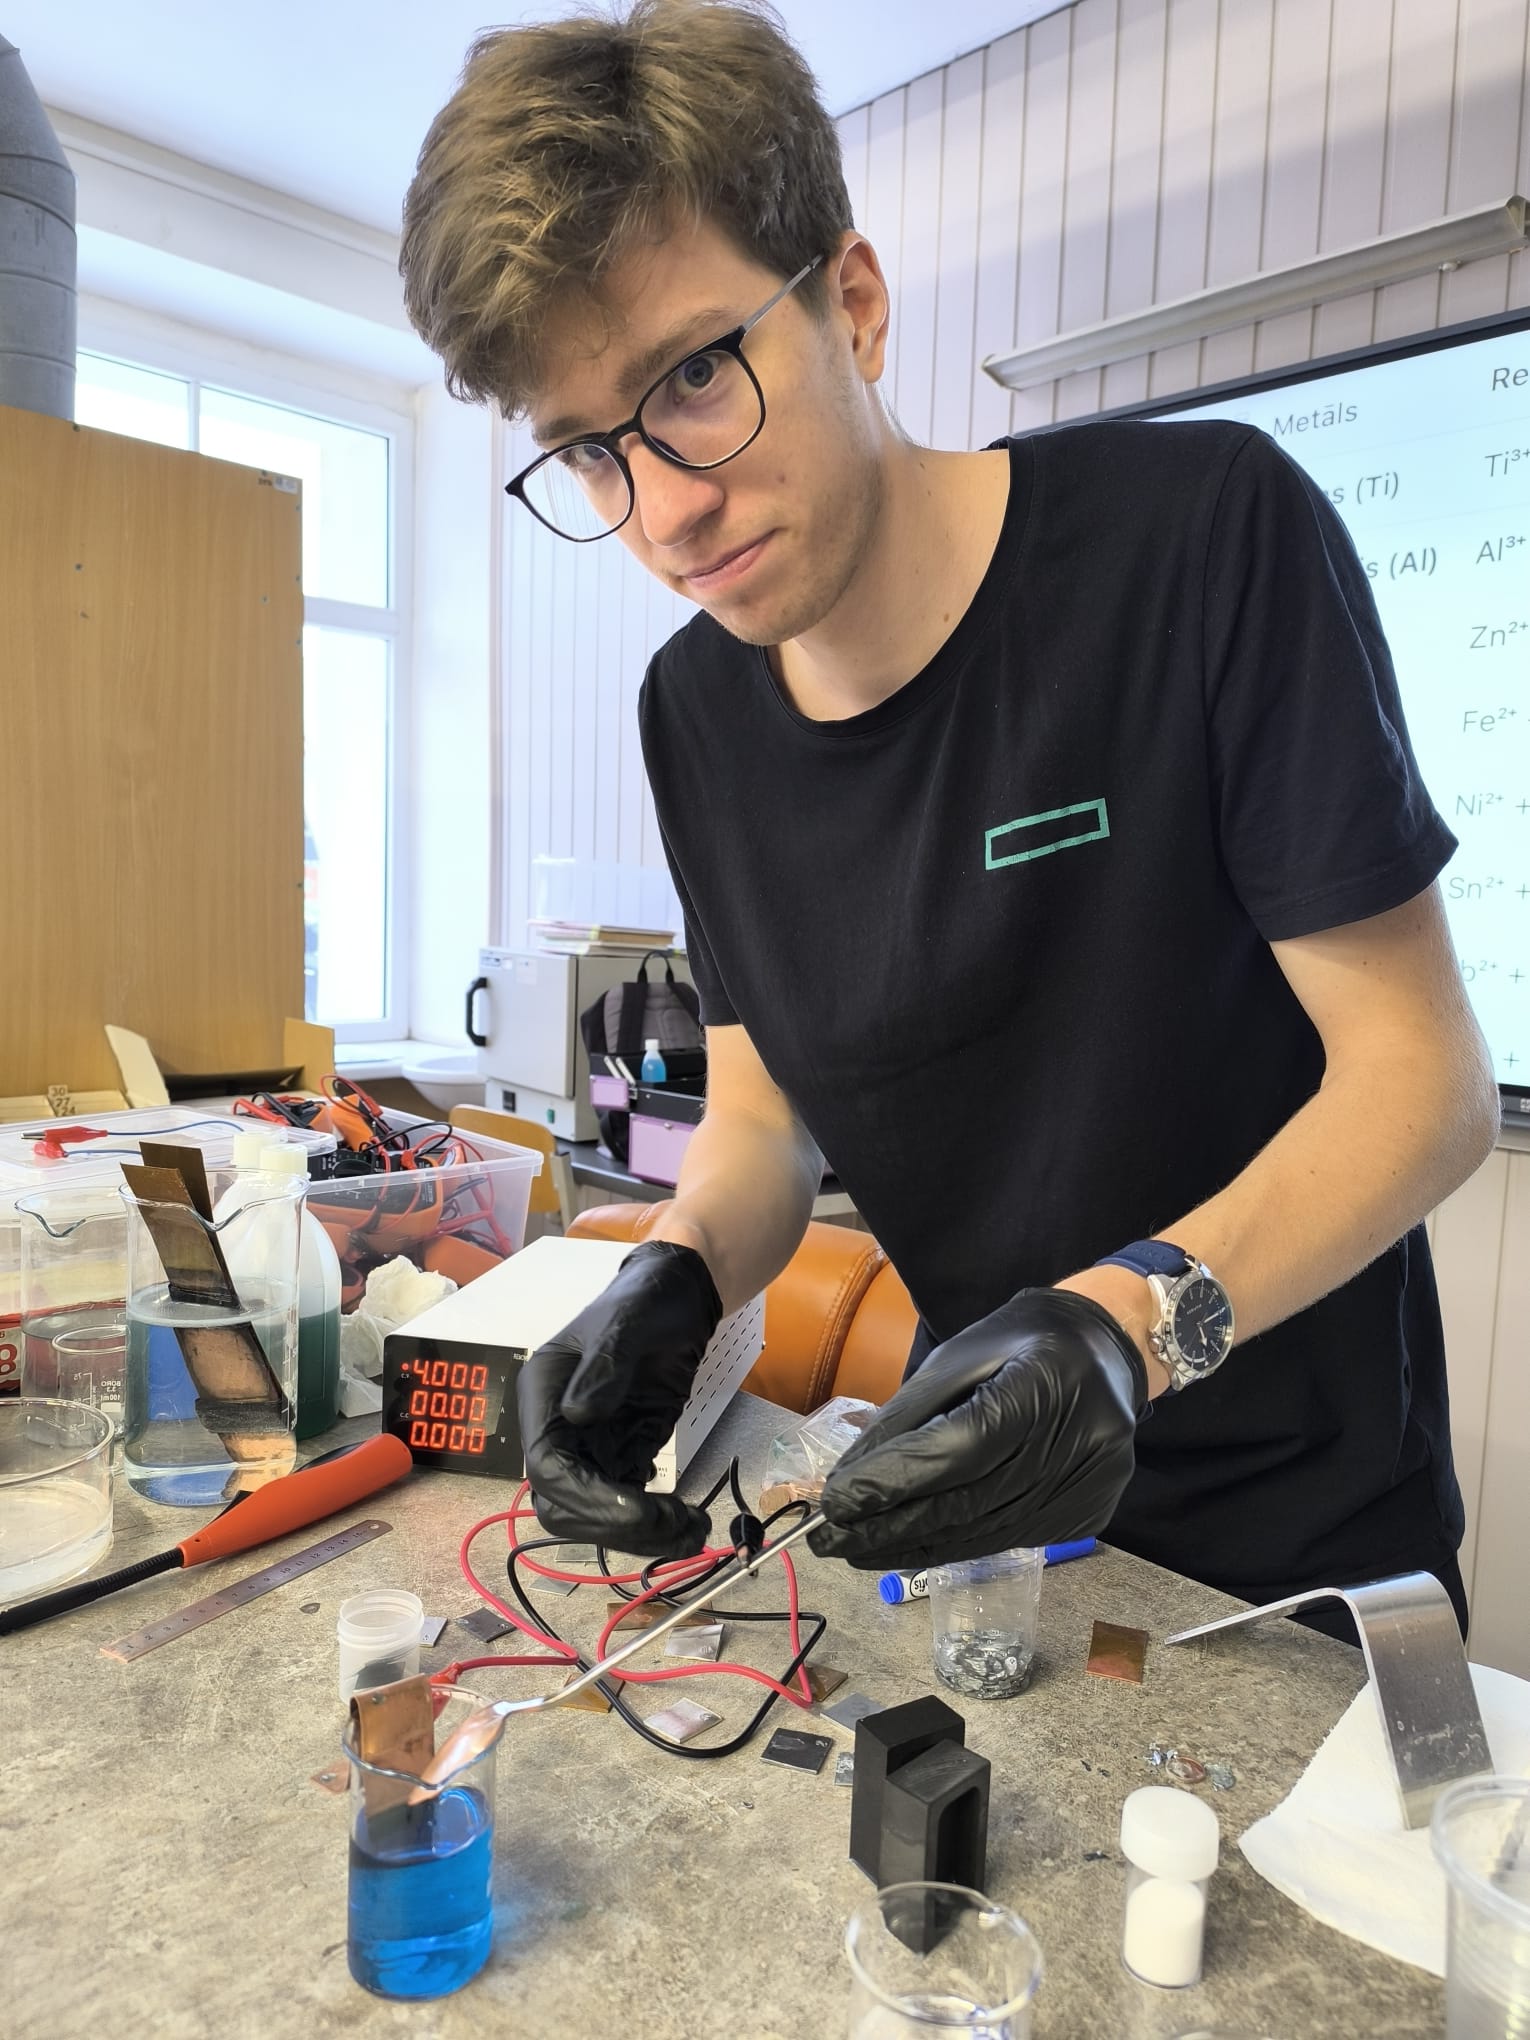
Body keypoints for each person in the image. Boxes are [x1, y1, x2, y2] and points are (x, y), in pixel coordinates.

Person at [400, 0, 1499, 1636]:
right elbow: (764, 1129)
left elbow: (1424, 1088)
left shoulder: (1201, 538)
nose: (665, 511)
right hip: (964, 1524)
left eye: (694, 377)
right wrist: (671, 1270)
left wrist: (1125, 1329)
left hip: (1294, 1552)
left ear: (850, 304)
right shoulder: (693, 710)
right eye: (587, 455)